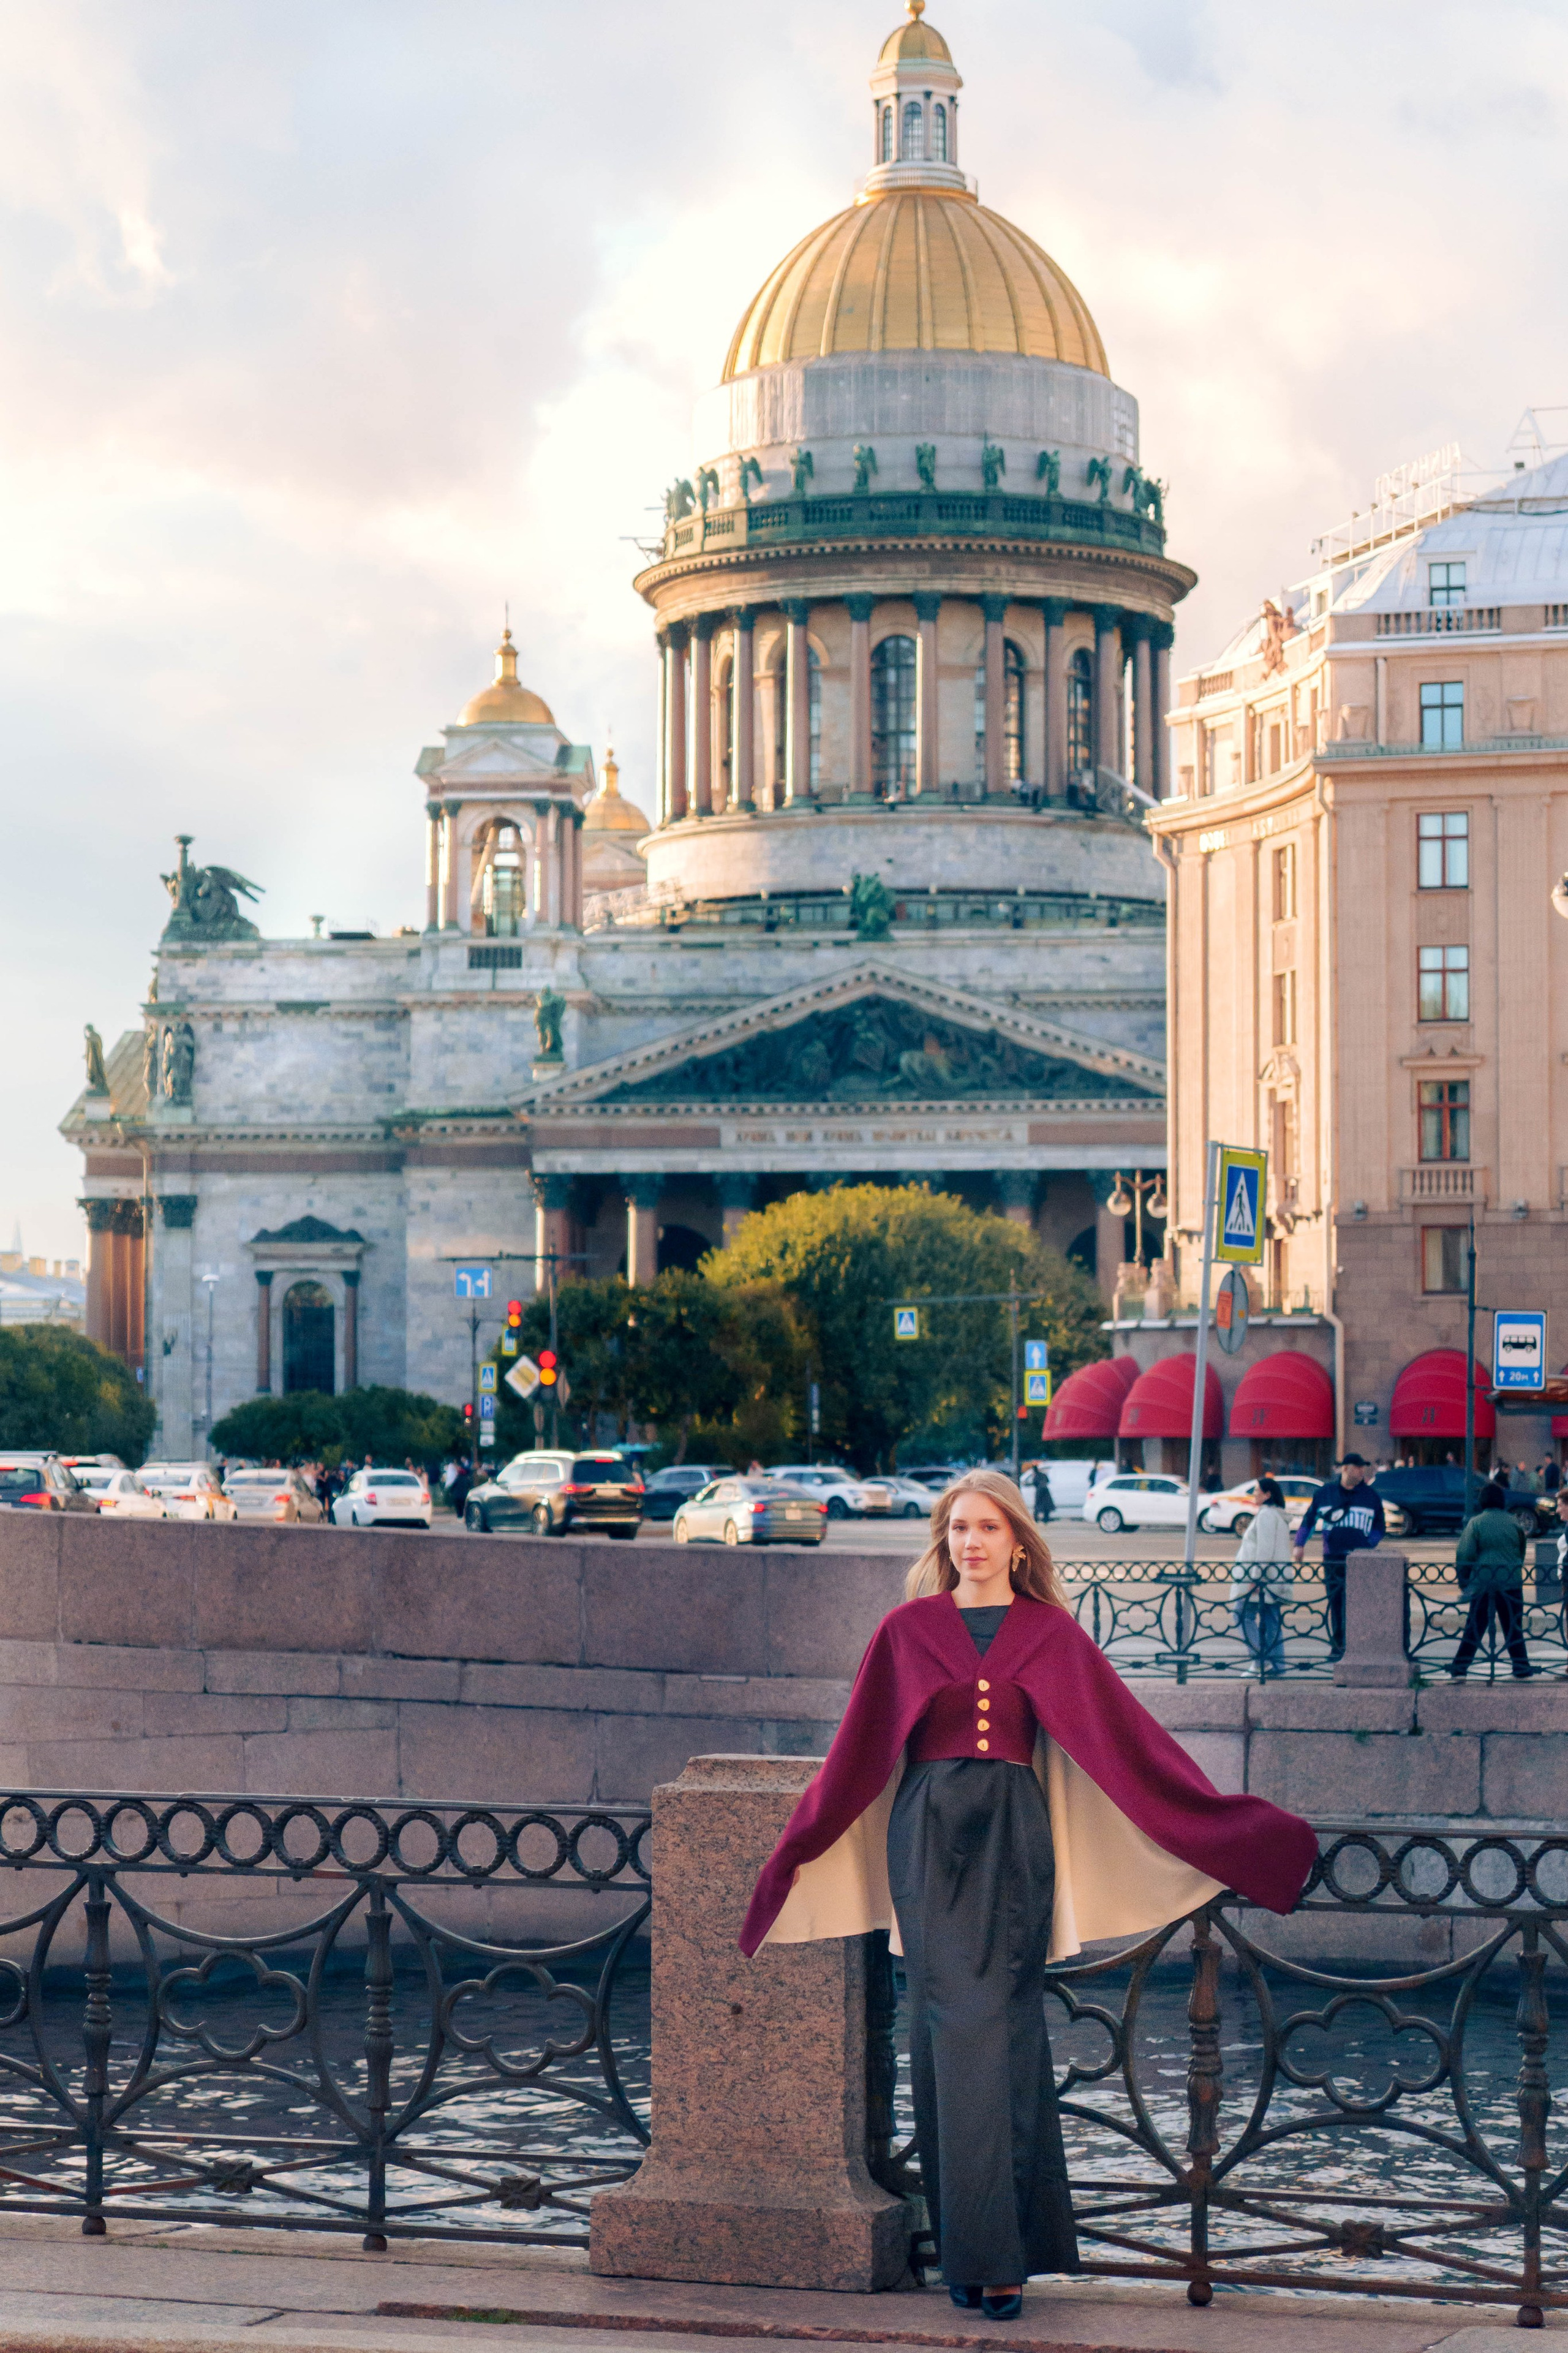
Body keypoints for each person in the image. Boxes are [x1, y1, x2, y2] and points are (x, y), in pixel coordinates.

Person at [739, 1469, 1317, 2317]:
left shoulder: (1051, 1635)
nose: (970, 1541)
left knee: (1007, 2031)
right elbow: (853, 1757)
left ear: (1017, 1541)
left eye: (986, 1527)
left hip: (1016, 1837)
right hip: (929, 1839)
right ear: (945, 1541)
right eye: (957, 1527)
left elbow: (1133, 1747)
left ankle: (998, 2255)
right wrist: (789, 1857)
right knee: (950, 2029)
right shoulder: (905, 1631)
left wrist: (1237, 1830)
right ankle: (984, 2254)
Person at [1292, 1454, 1385, 1661]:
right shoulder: (1325, 1494)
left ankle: (1356, 1646)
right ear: (1344, 1469)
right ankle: (1338, 1646)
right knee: (1336, 1603)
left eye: (1363, 1468)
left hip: (1361, 1559)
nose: (1362, 1471)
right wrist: (1299, 1545)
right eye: (1357, 1467)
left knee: (1357, 1603)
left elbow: (1380, 1526)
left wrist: (1368, 1544)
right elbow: (1309, 1520)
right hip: (1333, 1558)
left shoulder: (1371, 1496)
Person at [1451, 1480, 1532, 1679]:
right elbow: (1521, 1552)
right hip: (1511, 1582)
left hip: (1483, 1583)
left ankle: (1460, 1666)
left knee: (1475, 1627)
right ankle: (1521, 1667)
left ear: (1482, 1502)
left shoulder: (1476, 1523)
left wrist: (1464, 1581)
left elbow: (1465, 1554)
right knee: (1513, 1627)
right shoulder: (1514, 1522)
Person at [1232, 1478, 1294, 1675]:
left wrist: (1256, 1577)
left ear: (1268, 1494)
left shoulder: (1267, 1515)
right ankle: (1277, 1667)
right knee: (1271, 1622)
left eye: (1258, 1491)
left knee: (1242, 1616)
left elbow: (1265, 1549)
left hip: (1261, 1581)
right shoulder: (1277, 1515)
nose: (1254, 1494)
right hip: (1275, 1579)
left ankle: (1260, 1662)